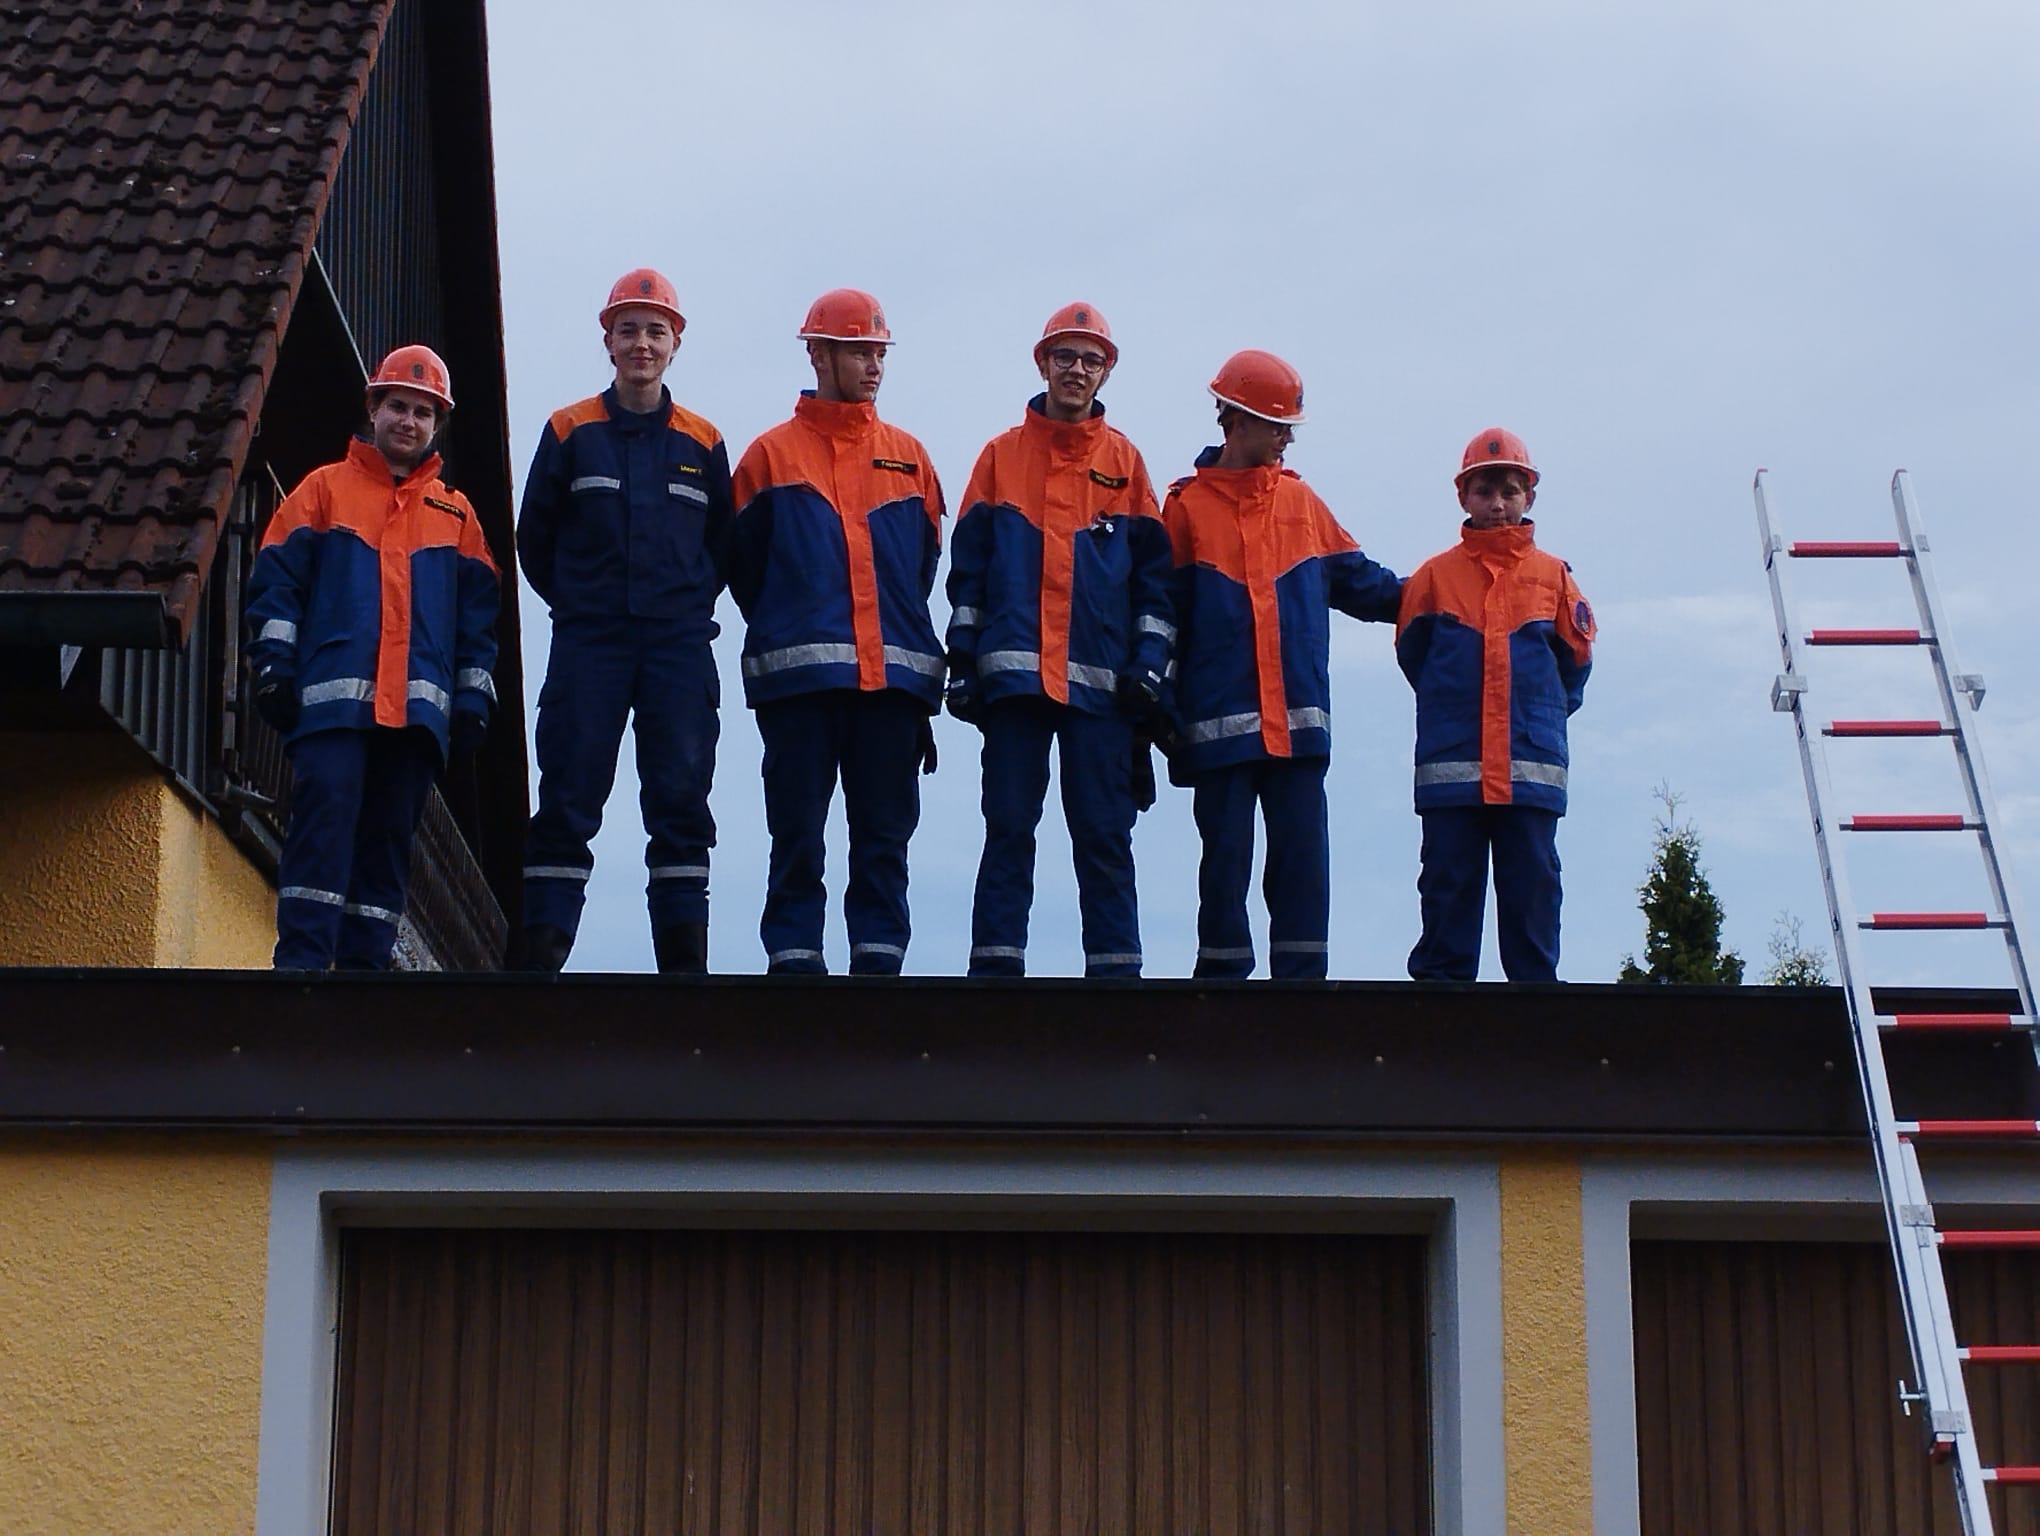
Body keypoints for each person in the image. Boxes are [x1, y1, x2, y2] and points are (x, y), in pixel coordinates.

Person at [246, 345, 500, 970]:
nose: (409, 421)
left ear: (437, 424)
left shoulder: (457, 515)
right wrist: (274, 665)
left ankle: (365, 979)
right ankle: (302, 970)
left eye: (423, 412)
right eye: (398, 407)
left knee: (387, 846)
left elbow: (478, 620)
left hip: (413, 720)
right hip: (331, 710)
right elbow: (276, 585)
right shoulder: (322, 490)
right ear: (374, 409)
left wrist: (473, 696)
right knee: (322, 831)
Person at [516, 268, 733, 975]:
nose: (642, 343)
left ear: (676, 344)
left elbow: (724, 545)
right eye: (629, 330)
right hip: (592, 642)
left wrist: (685, 604)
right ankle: (539, 962)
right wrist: (582, 602)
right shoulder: (569, 431)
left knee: (681, 799)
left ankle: (683, 971)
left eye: (655, 331)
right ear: (607, 340)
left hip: (677, 647)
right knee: (568, 794)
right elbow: (534, 539)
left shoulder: (704, 441)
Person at [944, 303, 1170, 977]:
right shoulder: (1000, 457)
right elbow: (968, 573)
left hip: (1103, 691)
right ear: (1042, 363)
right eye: (1065, 356)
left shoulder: (1125, 463)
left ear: (1107, 372)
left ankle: (1116, 981)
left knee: (1105, 835)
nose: (1077, 370)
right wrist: (964, 665)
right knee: (1009, 827)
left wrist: (1148, 667)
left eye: (1091, 359)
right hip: (1015, 684)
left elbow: (1154, 584)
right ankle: (995, 976)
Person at [1162, 349, 1403, 980]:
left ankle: (1303, 1000)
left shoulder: (1302, 503)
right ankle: (1219, 994)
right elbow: (1163, 617)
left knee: (1302, 864)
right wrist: (1157, 713)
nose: (1288, 439)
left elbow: (1365, 585)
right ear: (1236, 420)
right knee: (1224, 865)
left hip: (1296, 728)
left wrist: (1441, 591)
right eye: (1278, 425)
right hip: (1217, 727)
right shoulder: (1185, 508)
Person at [727, 289, 945, 975]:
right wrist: (795, 624)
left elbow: (921, 569)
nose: (874, 366)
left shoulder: (911, 458)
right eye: (859, 352)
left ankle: (878, 969)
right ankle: (795, 965)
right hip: (800, 685)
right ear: (819, 355)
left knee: (885, 838)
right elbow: (743, 568)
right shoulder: (768, 458)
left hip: (892, 686)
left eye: (879, 353)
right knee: (797, 834)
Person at [1397, 428, 1594, 982]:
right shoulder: (1433, 578)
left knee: (1533, 888)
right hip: (1453, 768)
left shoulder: (1554, 578)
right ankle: (1441, 1005)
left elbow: (1575, 665)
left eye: (1509, 490)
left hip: (1530, 769)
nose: (1498, 503)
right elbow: (1413, 657)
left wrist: (1537, 722)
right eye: (1485, 491)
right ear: (1463, 496)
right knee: (1447, 885)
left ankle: (1534, 1005)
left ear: (1529, 495)